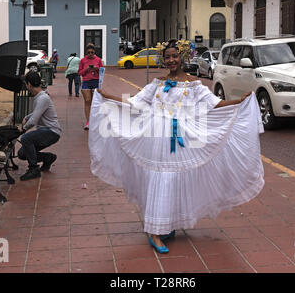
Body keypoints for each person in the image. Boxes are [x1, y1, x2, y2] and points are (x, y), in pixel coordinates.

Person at [90, 39, 265, 254]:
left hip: (182, 139)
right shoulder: (156, 84)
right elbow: (134, 102)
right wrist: (108, 96)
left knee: (175, 179)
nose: (171, 60)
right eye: (168, 57)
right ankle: (154, 231)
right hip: (156, 139)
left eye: (175, 56)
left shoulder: (194, 85)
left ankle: (167, 223)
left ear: (182, 57)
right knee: (160, 178)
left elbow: (215, 104)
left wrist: (239, 102)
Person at [18, 71, 62, 181]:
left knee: (25, 138)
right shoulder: (40, 96)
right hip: (45, 131)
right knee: (22, 153)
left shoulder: (42, 98)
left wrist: (23, 129)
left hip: (51, 131)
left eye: (26, 84)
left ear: (29, 84)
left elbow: (33, 121)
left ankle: (34, 169)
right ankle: (48, 158)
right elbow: (36, 113)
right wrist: (27, 117)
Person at [78, 43, 103, 130]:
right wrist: (86, 69)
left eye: (92, 52)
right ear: (86, 52)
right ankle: (88, 122)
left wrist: (97, 68)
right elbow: (79, 72)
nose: (90, 54)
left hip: (96, 82)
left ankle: (95, 121)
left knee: (95, 102)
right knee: (88, 101)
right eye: (88, 52)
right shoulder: (83, 60)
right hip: (86, 82)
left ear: (94, 52)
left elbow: (102, 72)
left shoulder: (98, 60)